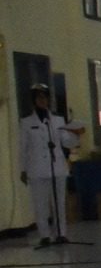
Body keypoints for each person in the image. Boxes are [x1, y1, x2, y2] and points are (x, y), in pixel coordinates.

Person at [18, 84, 79, 246]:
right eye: (39, 98)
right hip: (37, 168)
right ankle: (44, 235)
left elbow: (66, 141)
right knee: (40, 203)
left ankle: (61, 233)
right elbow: (23, 148)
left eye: (44, 97)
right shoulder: (26, 122)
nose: (42, 100)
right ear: (34, 100)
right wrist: (23, 169)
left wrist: (75, 135)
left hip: (57, 166)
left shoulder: (57, 120)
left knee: (59, 202)